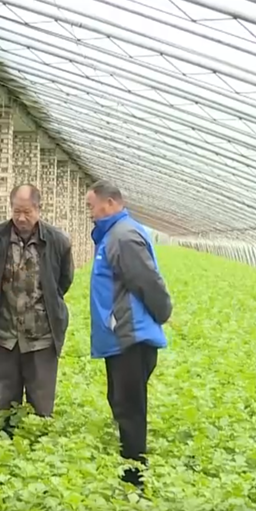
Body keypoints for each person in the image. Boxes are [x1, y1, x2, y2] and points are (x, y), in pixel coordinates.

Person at [85, 180, 173, 489]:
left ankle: (135, 478)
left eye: (92, 205)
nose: (90, 212)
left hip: (130, 338)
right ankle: (130, 467)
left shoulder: (122, 236)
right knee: (121, 402)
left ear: (110, 203)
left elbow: (147, 281)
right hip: (119, 337)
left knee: (130, 408)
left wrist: (162, 313)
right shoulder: (113, 234)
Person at [0, 184, 73, 435]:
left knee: (41, 402)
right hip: (3, 333)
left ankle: (37, 444)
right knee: (5, 399)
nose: (21, 218)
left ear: (39, 209)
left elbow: (63, 282)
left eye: (27, 212)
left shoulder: (57, 241)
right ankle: (6, 443)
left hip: (41, 335)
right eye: (16, 211)